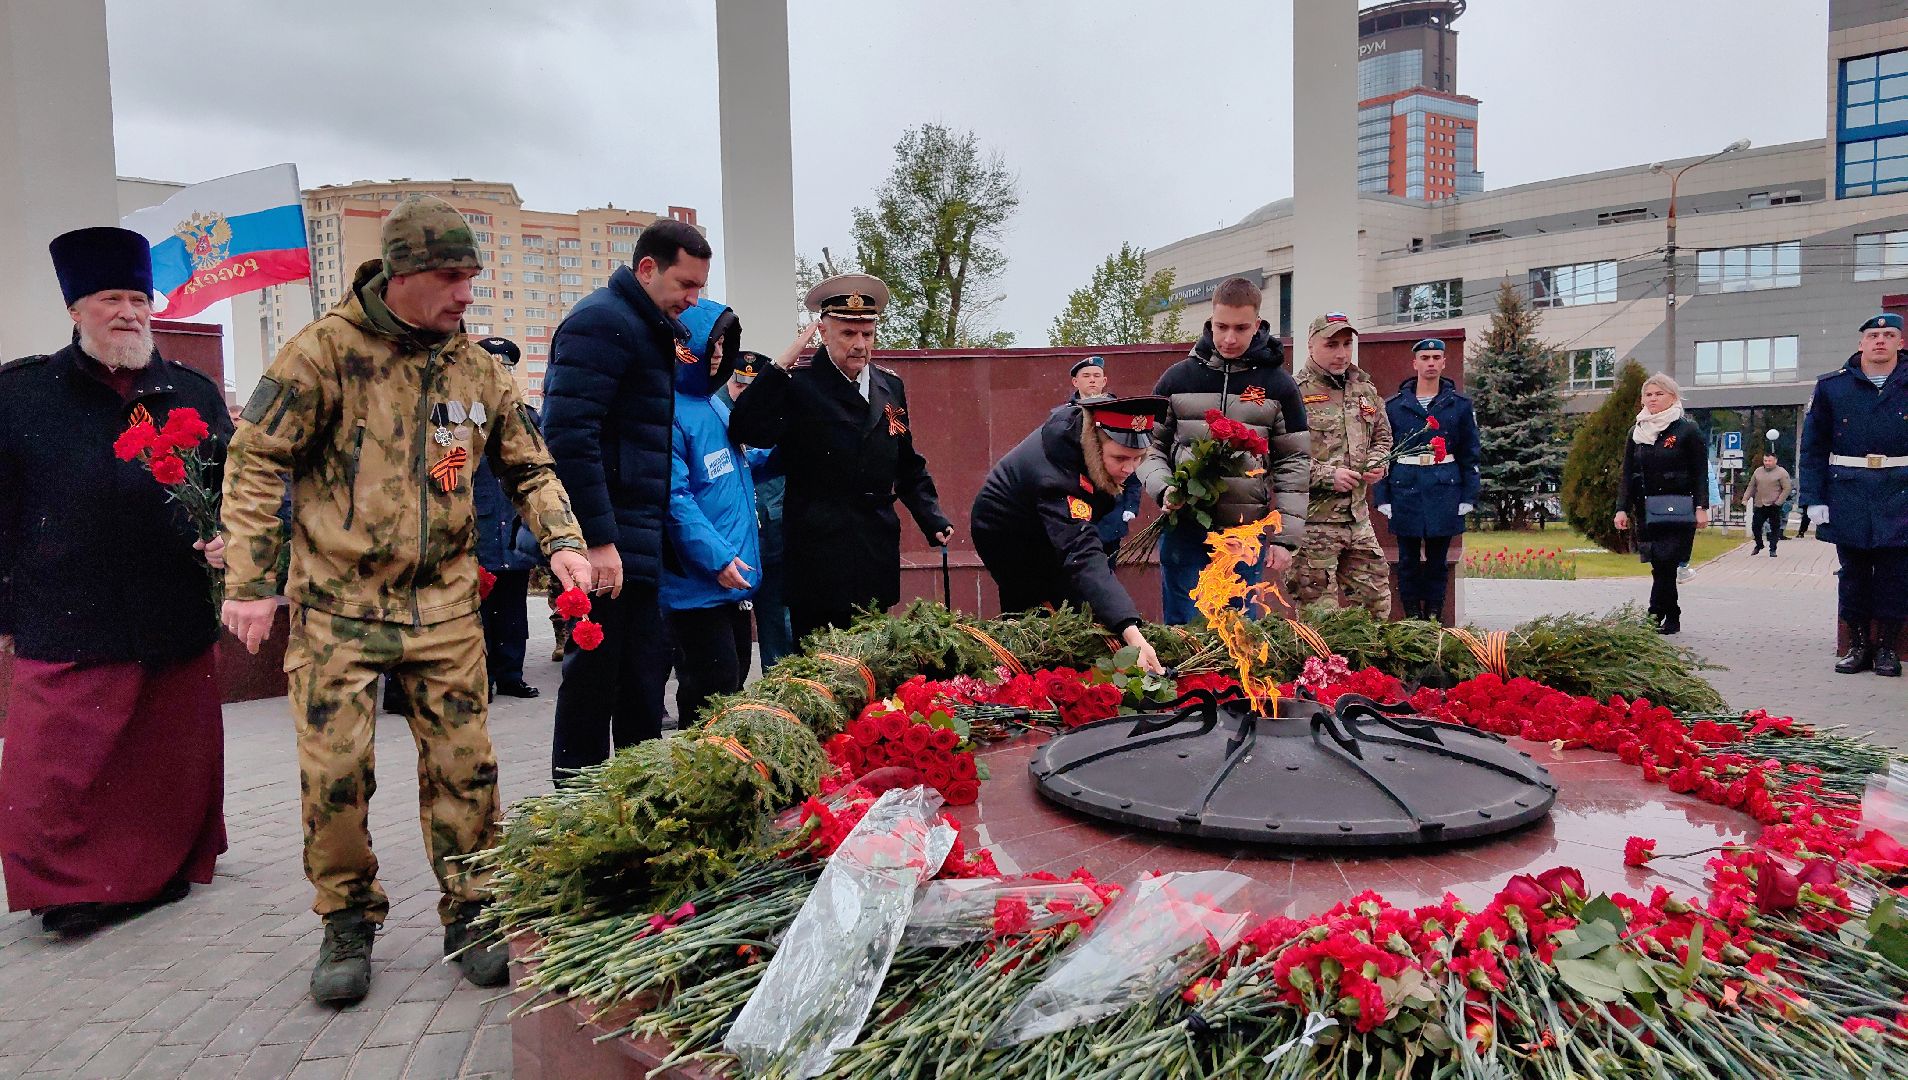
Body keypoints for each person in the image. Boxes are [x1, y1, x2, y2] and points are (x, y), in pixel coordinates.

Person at [219, 196, 592, 1004]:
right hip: (338, 609)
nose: (467, 293)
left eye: (471, 275)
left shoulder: (477, 369)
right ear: (402, 274)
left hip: (447, 607)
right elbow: (254, 462)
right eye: (452, 276)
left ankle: (474, 910)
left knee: (467, 770)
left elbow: (528, 465)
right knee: (335, 776)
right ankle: (347, 920)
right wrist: (248, 582)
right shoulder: (321, 354)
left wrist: (562, 540)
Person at [0, 226, 231, 938]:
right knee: (54, 767)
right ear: (76, 309)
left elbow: (236, 490)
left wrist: (233, 541)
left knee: (162, 759)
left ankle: (154, 873)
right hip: (63, 609)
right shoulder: (19, 394)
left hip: (171, 609)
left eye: (138, 299)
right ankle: (67, 890)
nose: (129, 313)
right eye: (110, 299)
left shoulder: (189, 392)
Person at [541, 218, 711, 778]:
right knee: (593, 683)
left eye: (699, 286)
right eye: (686, 284)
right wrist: (597, 539)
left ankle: (637, 801)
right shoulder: (601, 322)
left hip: (637, 538)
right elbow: (569, 436)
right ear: (647, 269)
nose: (693, 299)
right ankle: (576, 808)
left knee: (641, 681)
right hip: (607, 544)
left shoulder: (645, 326)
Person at [728, 274, 954, 639]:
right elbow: (746, 429)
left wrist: (931, 515)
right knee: (821, 659)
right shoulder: (800, 386)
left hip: (874, 549)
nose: (860, 344)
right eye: (848, 334)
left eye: (868, 334)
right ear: (823, 333)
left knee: (872, 654)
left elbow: (905, 461)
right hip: (819, 554)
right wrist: (777, 369)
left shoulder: (889, 386)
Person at [1138, 277, 1309, 624]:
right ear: (1210, 321)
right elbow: (1147, 446)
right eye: (1221, 327)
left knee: (1239, 634)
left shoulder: (1279, 385)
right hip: (1185, 527)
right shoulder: (1177, 379)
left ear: (1257, 325)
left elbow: (1293, 461)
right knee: (1184, 631)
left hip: (1244, 532)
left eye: (1241, 328)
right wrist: (1164, 488)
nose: (1229, 338)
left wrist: (1286, 539)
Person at [972, 396, 1168, 674]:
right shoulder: (1056, 477)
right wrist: (1131, 632)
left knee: (1084, 603)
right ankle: (1030, 679)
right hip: (1008, 535)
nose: (1129, 469)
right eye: (1120, 458)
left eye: (1138, 458)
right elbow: (1081, 553)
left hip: (1053, 526)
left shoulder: (1089, 444)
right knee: (1039, 615)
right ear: (1094, 444)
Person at [665, 298, 763, 723]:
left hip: (732, 579)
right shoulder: (670, 411)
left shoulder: (713, 404)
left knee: (733, 682)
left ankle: (722, 759)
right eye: (711, 343)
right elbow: (675, 498)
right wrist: (717, 558)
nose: (719, 353)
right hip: (698, 586)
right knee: (709, 691)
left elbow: (739, 466)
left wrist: (785, 454)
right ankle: (697, 760)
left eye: (724, 343)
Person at [1799, 312, 1908, 678]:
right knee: (1853, 574)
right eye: (1873, 336)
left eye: (1889, 335)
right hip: (1848, 490)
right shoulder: (1832, 386)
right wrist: (1813, 497)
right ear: (1861, 343)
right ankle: (1858, 646)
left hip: (1900, 489)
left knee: (1896, 574)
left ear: (1900, 343)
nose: (1880, 341)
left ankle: (1888, 649)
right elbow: (1813, 447)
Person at [1372, 338, 1480, 623]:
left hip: (1444, 488)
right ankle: (1411, 618)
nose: (1430, 363)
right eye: (1425, 358)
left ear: (1444, 363)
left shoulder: (1459, 406)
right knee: (1407, 560)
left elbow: (1470, 453)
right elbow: (1382, 454)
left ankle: (1433, 617)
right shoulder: (1394, 406)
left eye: (1436, 357)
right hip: (1405, 488)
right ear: (1415, 363)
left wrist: (1468, 496)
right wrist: (1382, 496)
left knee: (1437, 560)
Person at [1293, 313, 1394, 618]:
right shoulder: (1294, 393)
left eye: (1347, 344)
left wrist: (1377, 462)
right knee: (1318, 619)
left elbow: (1382, 437)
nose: (1341, 353)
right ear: (1311, 345)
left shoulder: (1364, 389)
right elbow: (1280, 458)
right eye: (1331, 344)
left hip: (1357, 520)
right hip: (1313, 525)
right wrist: (1327, 476)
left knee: (1376, 607)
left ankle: (1368, 654)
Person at [471, 336, 543, 698]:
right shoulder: (462, 419)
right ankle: (481, 678)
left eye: (507, 368)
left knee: (514, 610)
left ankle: (511, 674)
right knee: (479, 611)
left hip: (513, 527)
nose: (501, 374)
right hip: (479, 528)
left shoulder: (527, 418)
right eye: (494, 366)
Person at [1613, 372, 1709, 635]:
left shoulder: (1686, 429)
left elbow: (1700, 471)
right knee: (1659, 564)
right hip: (1647, 508)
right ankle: (1669, 614)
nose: (1653, 399)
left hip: (1679, 507)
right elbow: (1628, 473)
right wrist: (1621, 508)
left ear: (1673, 397)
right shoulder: (1637, 431)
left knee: (1667, 560)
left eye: (1659, 394)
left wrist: (1701, 508)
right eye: (1648, 394)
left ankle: (1656, 614)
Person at [717, 350, 795, 669]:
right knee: (726, 641)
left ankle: (780, 686)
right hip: (727, 544)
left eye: (753, 389)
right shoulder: (711, 411)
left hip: (772, 539)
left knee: (779, 627)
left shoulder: (777, 413)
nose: (745, 395)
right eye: (739, 387)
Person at [1741, 451, 1792, 558]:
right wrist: (1745, 498)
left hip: (1774, 505)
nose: (1767, 463)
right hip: (1760, 504)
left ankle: (1773, 549)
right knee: (1755, 526)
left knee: (1775, 527)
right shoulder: (1758, 471)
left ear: (1775, 461)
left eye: (1769, 461)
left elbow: (1787, 488)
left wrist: (1779, 502)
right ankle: (1759, 544)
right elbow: (1751, 486)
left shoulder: (1782, 473)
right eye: (1765, 460)